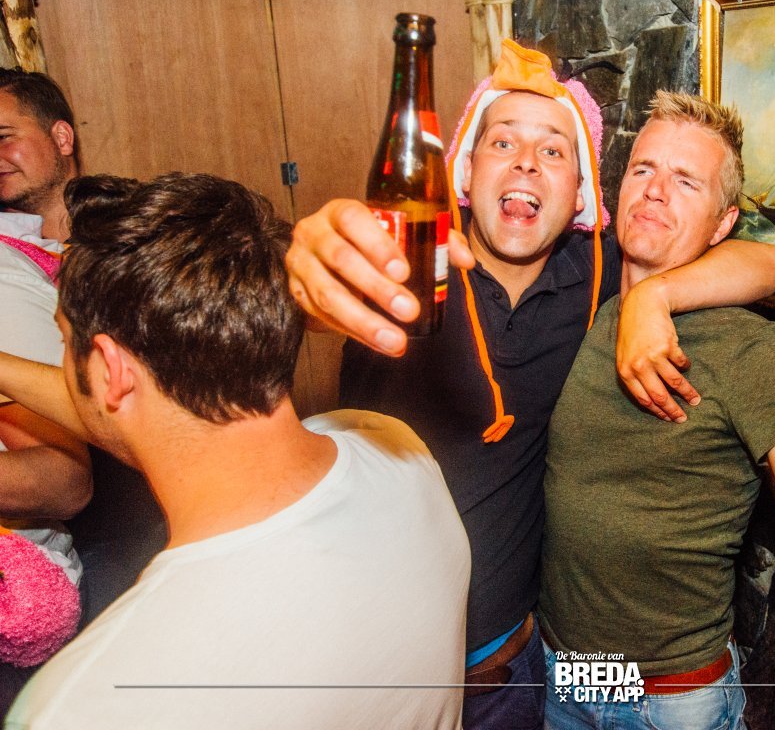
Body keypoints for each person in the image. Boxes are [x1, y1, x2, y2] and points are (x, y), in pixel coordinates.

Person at [286, 41, 775, 729]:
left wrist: (656, 296)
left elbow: (771, 263)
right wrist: (304, 272)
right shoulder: (406, 272)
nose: (526, 161)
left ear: (581, 195)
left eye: (554, 150)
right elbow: (322, 289)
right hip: (382, 680)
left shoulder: (599, 275)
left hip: (528, 676)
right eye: (503, 142)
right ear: (466, 170)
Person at [4, 173, 470, 730]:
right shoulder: (397, 452)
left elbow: (134, 415)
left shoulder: (82, 705)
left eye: (64, 341)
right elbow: (145, 411)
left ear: (109, 369)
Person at [538, 92, 775, 730]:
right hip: (565, 677)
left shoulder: (751, 349)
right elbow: (771, 261)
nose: (655, 190)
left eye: (686, 181)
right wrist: (644, 300)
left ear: (722, 225)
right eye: (643, 169)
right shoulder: (590, 296)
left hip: (669, 701)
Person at [0, 68, 89, 710]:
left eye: (4, 136)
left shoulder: (115, 231)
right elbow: (63, 478)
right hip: (69, 543)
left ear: (61, 137)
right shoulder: (6, 269)